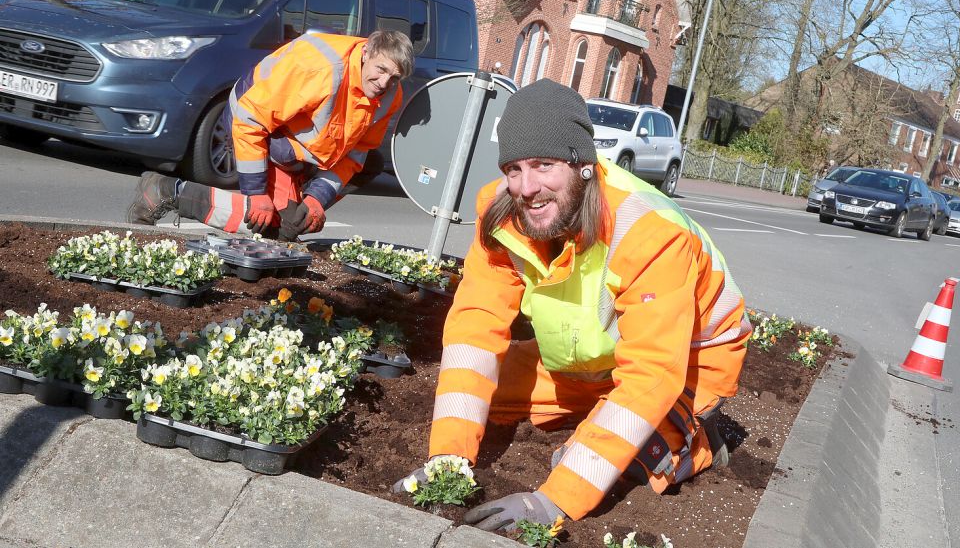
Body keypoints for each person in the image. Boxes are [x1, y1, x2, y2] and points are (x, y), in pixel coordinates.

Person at [393, 79, 752, 530]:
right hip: (589, 363)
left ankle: (693, 436)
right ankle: (600, 418)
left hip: (691, 364)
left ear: (583, 165)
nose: (527, 187)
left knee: (615, 462)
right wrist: (449, 454)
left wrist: (556, 499)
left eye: (544, 165)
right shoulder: (501, 214)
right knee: (482, 396)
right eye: (514, 169)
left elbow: (653, 372)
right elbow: (475, 325)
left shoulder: (648, 231)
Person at [126, 29, 414, 240]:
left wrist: (317, 198)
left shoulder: (390, 96)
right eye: (381, 70)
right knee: (269, 222)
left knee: (295, 222)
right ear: (366, 52)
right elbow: (251, 119)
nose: (384, 82)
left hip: (299, 148)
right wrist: (257, 194)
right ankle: (165, 192)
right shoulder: (321, 71)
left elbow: (355, 153)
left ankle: (289, 211)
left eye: (395, 77)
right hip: (255, 126)